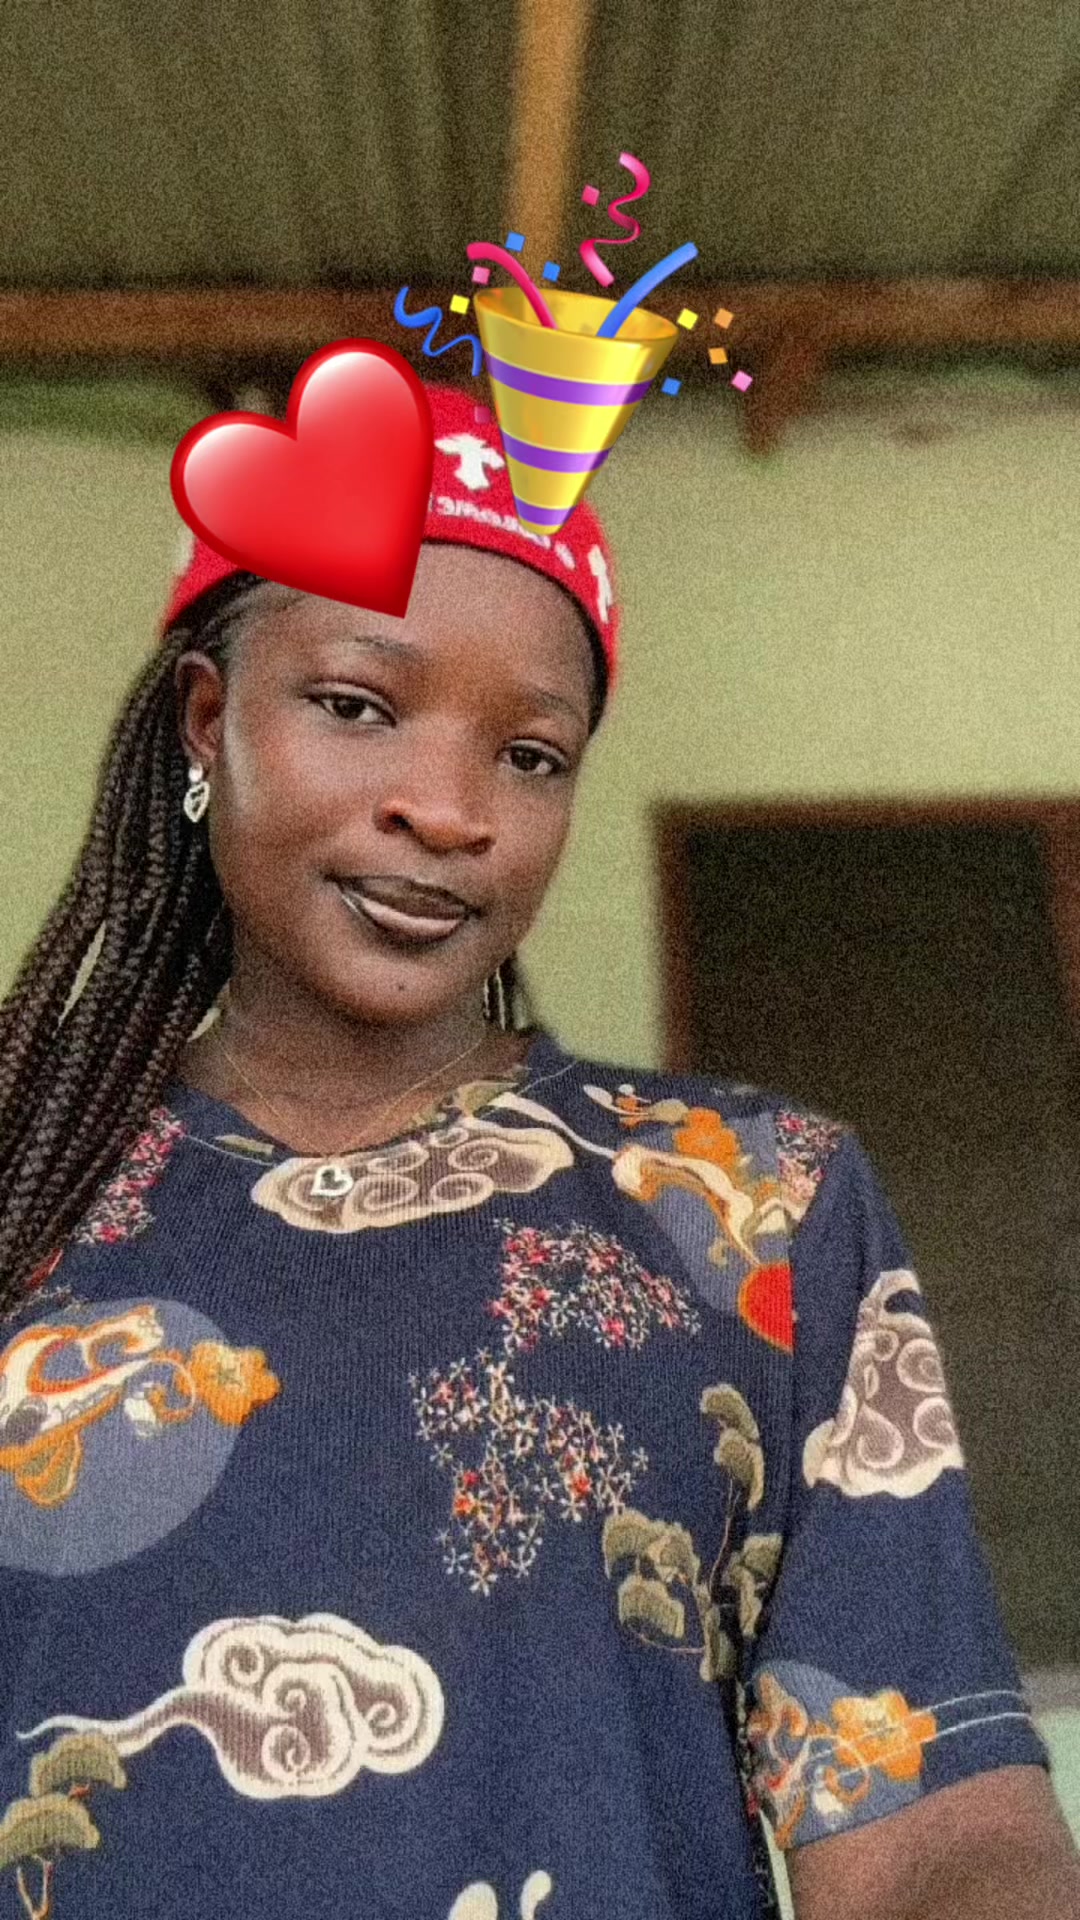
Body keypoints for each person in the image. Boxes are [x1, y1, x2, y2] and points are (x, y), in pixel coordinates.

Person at [0, 380, 1074, 1920]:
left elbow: (931, 1828)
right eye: (356, 705)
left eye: (531, 754)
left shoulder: (754, 1210)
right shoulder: (25, 1186)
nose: (449, 810)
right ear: (208, 722)